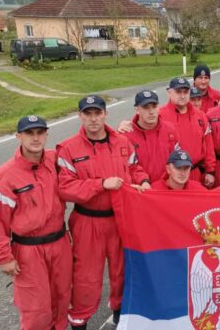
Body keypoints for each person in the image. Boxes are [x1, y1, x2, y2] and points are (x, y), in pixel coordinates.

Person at [56, 95, 150, 329]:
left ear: (105, 114)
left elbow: (135, 167)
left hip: (120, 219)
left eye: (97, 113)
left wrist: (144, 180)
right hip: (88, 221)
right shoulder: (68, 149)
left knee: (121, 272)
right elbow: (65, 188)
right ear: (80, 116)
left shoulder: (122, 142)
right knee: (86, 278)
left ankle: (120, 316)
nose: (93, 119)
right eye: (87, 114)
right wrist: (100, 184)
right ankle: (79, 321)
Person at [0, 116, 72, 330]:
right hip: (28, 251)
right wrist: (3, 257)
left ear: (46, 135)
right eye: (29, 133)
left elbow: (83, 151)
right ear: (19, 136)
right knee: (36, 309)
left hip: (60, 243)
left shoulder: (55, 161)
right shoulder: (3, 177)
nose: (35, 138)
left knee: (62, 298)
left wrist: (121, 130)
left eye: (40, 133)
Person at [159, 78, 216, 187]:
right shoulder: (160, 115)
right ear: (169, 92)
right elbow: (140, 122)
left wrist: (210, 171)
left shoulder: (200, 115)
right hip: (171, 175)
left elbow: (209, 145)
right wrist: (125, 125)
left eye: (185, 92)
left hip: (196, 172)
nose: (182, 95)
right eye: (178, 92)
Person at [124, 90, 180, 182]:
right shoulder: (126, 135)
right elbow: (129, 166)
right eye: (146, 107)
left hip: (168, 186)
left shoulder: (170, 129)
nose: (151, 112)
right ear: (137, 110)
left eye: (154, 106)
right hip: (143, 189)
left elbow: (177, 158)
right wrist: (143, 181)